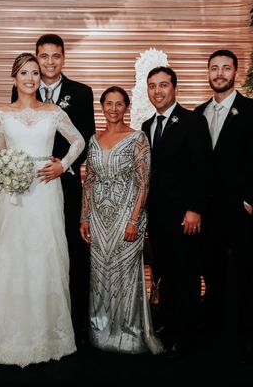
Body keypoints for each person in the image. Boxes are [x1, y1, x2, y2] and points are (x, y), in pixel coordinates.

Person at [0, 52, 85, 367]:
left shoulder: (52, 112)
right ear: (14, 78)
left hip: (46, 191)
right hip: (12, 196)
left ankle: (47, 335)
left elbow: (78, 141)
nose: (30, 78)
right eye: (24, 73)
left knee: (44, 256)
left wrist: (62, 166)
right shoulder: (1, 114)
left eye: (35, 73)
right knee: (11, 257)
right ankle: (5, 336)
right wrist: (6, 173)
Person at [11, 34, 95, 343]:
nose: (48, 62)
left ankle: (76, 323)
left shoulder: (82, 93)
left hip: (67, 183)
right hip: (29, 188)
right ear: (35, 57)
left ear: (63, 57)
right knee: (33, 250)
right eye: (43, 56)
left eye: (55, 56)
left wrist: (64, 165)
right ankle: (36, 317)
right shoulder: (23, 86)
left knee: (70, 251)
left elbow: (86, 137)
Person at [194, 50, 253, 364]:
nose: (219, 73)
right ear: (208, 73)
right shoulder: (198, 113)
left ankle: (252, 335)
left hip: (238, 209)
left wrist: (249, 202)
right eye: (214, 68)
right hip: (208, 210)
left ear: (235, 72)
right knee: (212, 271)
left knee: (248, 274)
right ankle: (215, 327)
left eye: (225, 68)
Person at [79, 86, 163, 355]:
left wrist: (134, 220)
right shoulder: (93, 139)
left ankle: (129, 332)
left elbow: (144, 182)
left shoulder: (138, 138)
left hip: (127, 217)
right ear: (101, 107)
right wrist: (84, 217)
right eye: (108, 104)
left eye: (119, 104)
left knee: (126, 276)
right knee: (100, 274)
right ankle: (102, 330)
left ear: (126, 107)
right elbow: (89, 181)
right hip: (98, 220)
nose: (113, 109)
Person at [141, 66, 213, 360]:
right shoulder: (146, 126)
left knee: (186, 275)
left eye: (163, 85)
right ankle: (168, 327)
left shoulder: (193, 121)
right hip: (157, 217)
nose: (157, 91)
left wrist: (195, 208)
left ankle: (187, 334)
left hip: (185, 216)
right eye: (152, 86)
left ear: (174, 89)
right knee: (164, 274)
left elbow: (203, 168)